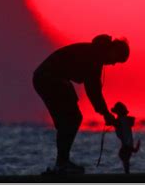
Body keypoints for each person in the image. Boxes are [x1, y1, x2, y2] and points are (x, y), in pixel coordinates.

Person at [33, 34, 130, 174]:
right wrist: (106, 114)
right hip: (48, 78)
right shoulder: (95, 57)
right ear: (113, 50)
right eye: (117, 59)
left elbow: (93, 90)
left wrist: (105, 113)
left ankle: (61, 163)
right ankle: (62, 163)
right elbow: (93, 91)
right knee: (72, 118)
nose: (114, 63)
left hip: (46, 79)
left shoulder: (95, 53)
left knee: (67, 120)